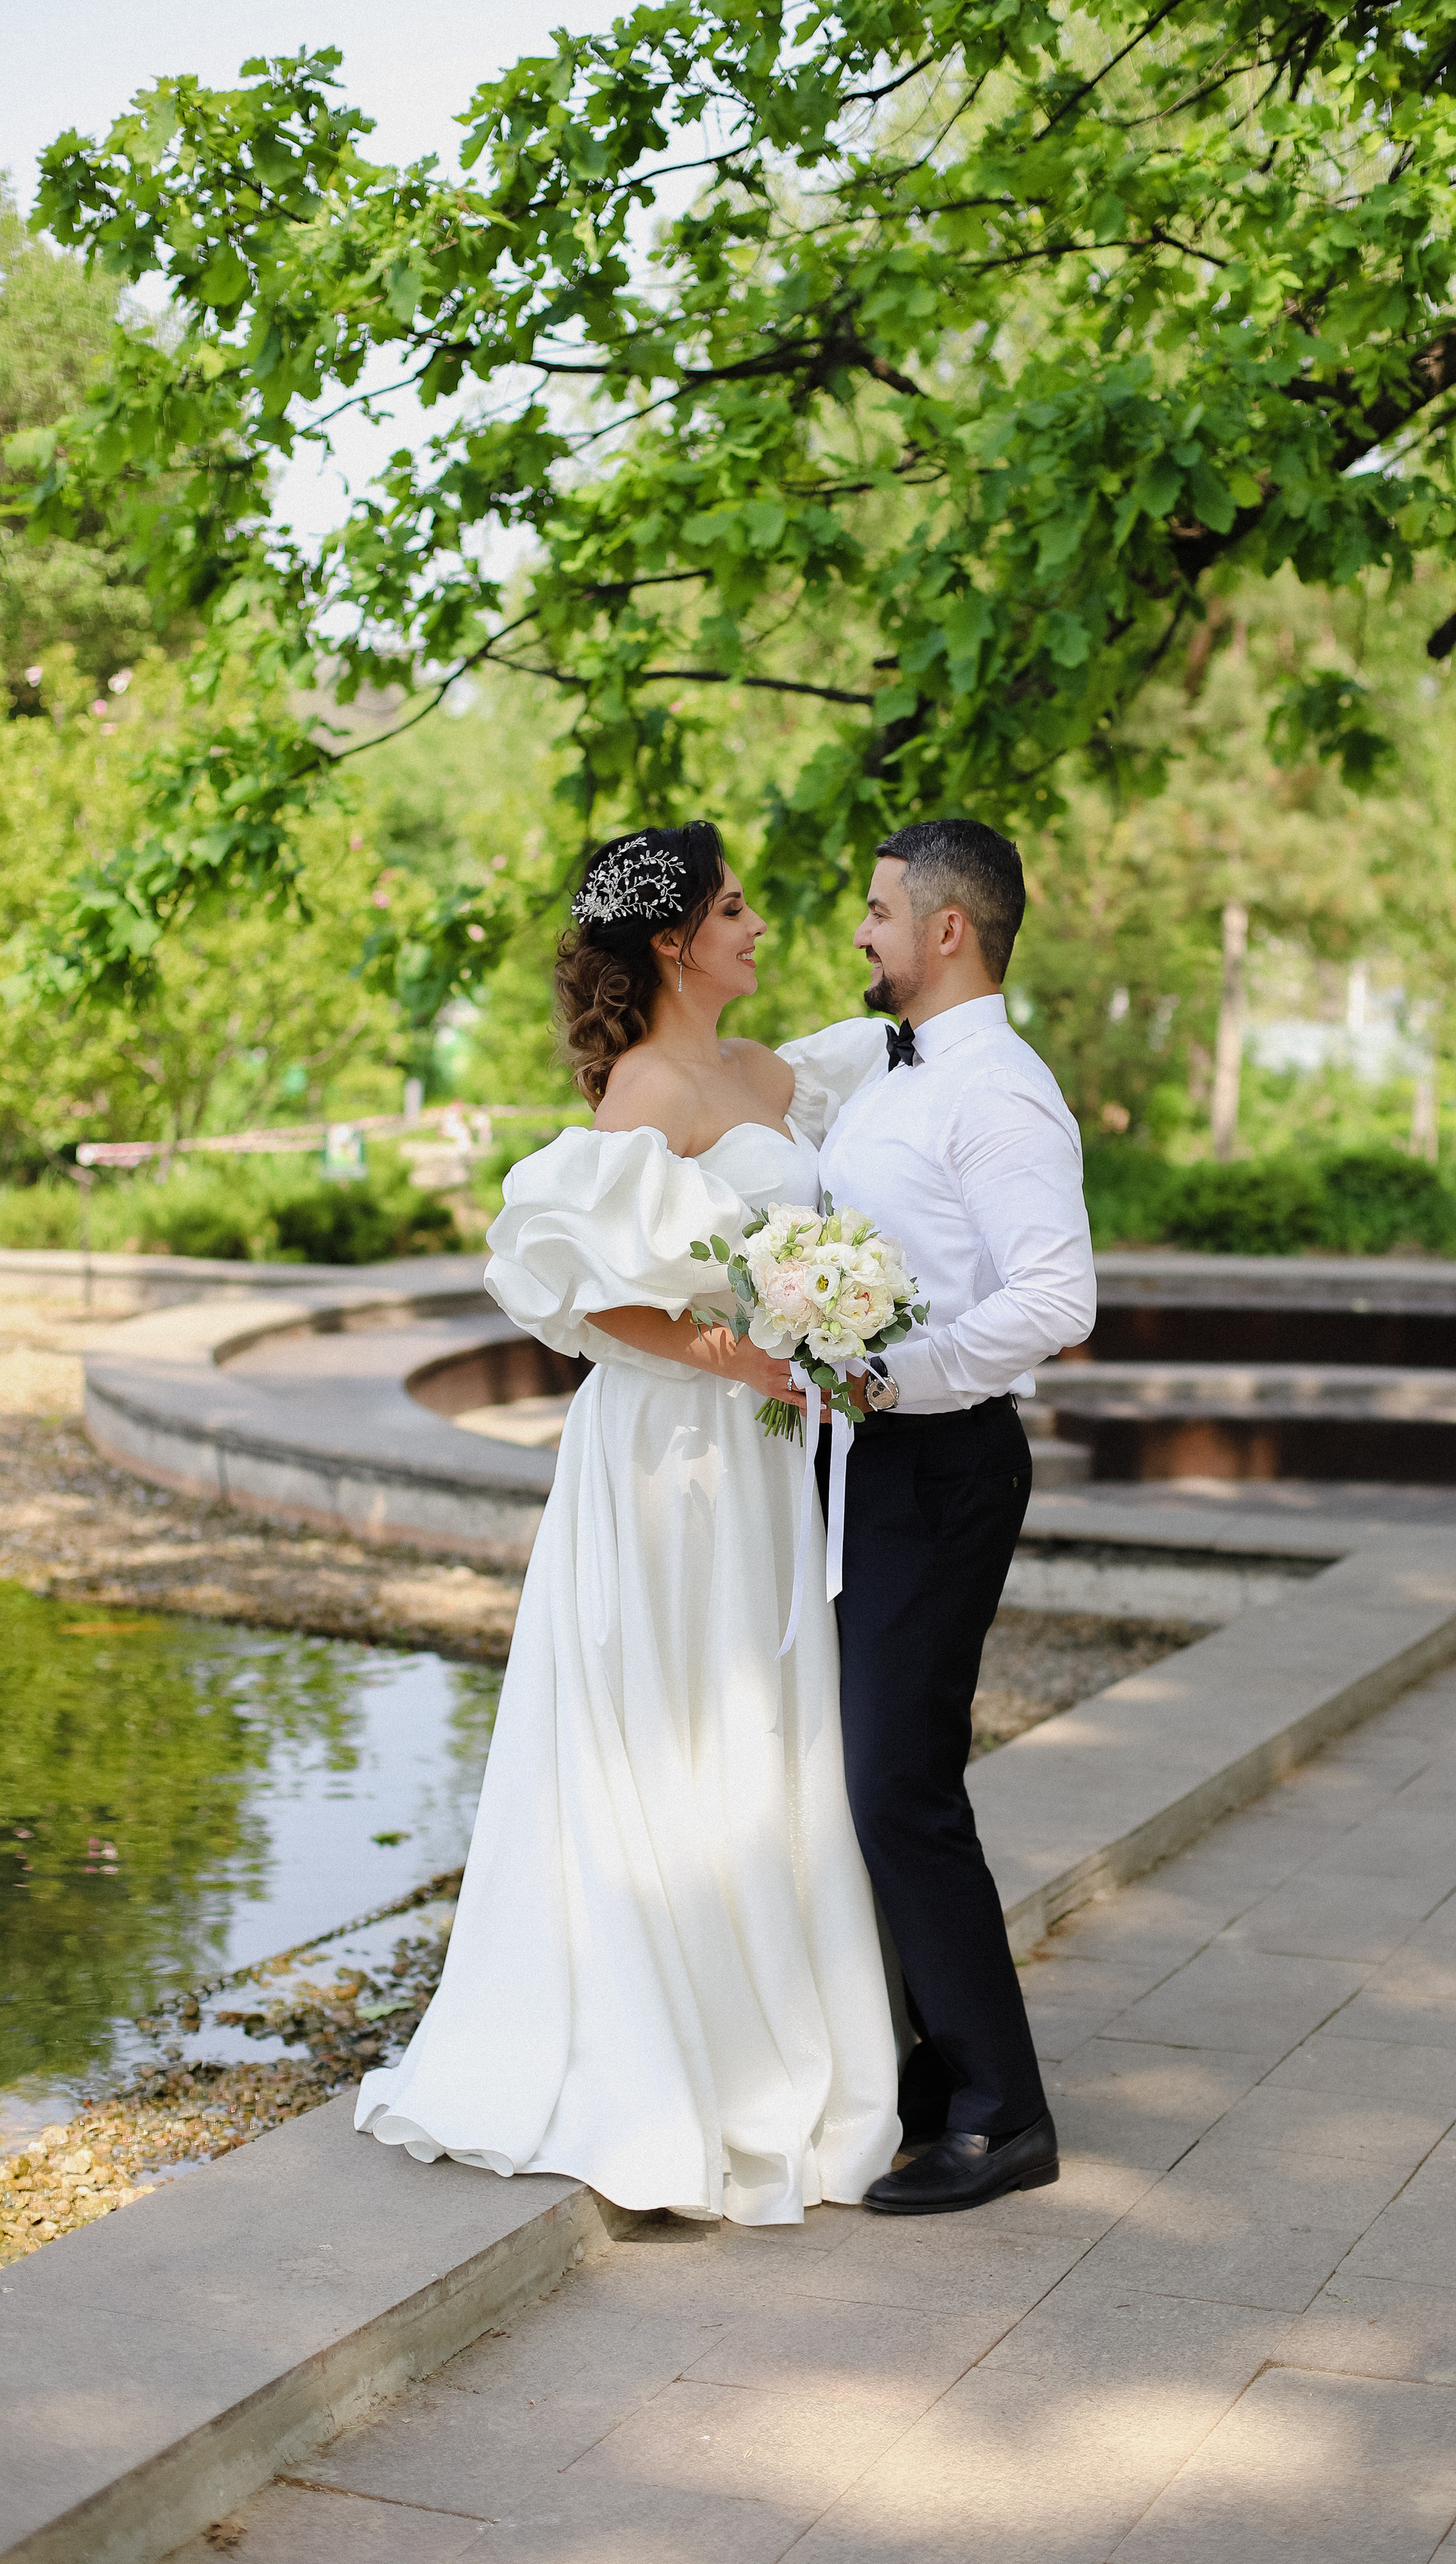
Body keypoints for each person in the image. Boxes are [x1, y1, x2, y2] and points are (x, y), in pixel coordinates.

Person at [355, 821, 903, 2225]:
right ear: (672, 941)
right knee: (671, 1706)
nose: (760, 928)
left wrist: (827, 1323)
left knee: (762, 1714)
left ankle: (772, 2019)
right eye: (736, 909)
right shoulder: (646, 1093)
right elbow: (591, 1287)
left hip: (762, 1451)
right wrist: (743, 1354)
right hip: (670, 1447)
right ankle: (665, 2045)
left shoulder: (772, 1074)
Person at [817, 819, 1097, 2215]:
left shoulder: (1000, 1093)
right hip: (866, 1465)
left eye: (879, 910)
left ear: (946, 929)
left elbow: (1058, 1297)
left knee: (899, 1787)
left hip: (940, 1466)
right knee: (866, 1779)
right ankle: (935, 2073)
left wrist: (893, 1377)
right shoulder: (889, 1066)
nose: (861, 931)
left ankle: (1004, 2113)